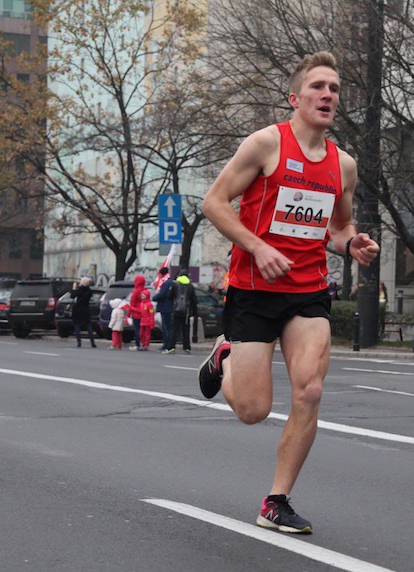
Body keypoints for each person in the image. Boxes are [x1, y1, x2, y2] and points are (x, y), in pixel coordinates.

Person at [198, 51, 379, 534]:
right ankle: (224, 356)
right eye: (318, 86)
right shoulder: (265, 145)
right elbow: (214, 203)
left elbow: (337, 228)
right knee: (253, 411)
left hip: (308, 290)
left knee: (310, 390)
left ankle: (275, 501)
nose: (327, 94)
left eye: (334, 88)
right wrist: (257, 247)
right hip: (254, 289)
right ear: (295, 98)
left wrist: (353, 244)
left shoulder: (344, 165)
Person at [168, 270, 197, 354]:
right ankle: (187, 347)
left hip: (176, 311)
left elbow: (169, 296)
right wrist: (194, 312)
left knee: (174, 329)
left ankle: (171, 347)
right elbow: (194, 300)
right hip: (186, 312)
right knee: (185, 330)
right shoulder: (190, 286)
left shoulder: (175, 284)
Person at [70, 277, 97, 348]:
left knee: (77, 326)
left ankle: (79, 342)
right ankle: (92, 342)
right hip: (86, 310)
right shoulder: (89, 291)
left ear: (82, 283)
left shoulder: (79, 290)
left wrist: (74, 288)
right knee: (88, 326)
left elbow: (72, 296)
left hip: (77, 310)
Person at [152, 266, 174, 352]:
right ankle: (168, 344)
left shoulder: (166, 283)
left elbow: (162, 294)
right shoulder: (170, 282)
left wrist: (154, 297)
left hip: (166, 307)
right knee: (167, 327)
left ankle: (167, 345)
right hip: (168, 307)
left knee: (166, 327)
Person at [128, 275, 149, 350]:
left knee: (137, 329)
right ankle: (144, 344)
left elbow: (132, 304)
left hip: (136, 313)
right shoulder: (146, 291)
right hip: (145, 313)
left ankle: (138, 345)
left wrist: (129, 314)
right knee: (144, 330)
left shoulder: (135, 291)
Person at [138, 285, 155, 351]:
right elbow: (140, 312)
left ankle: (146, 345)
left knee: (147, 334)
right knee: (141, 333)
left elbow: (151, 314)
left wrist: (152, 323)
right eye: (141, 296)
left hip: (147, 321)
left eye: (143, 296)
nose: (142, 297)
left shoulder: (149, 304)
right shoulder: (141, 304)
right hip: (142, 321)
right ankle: (142, 344)